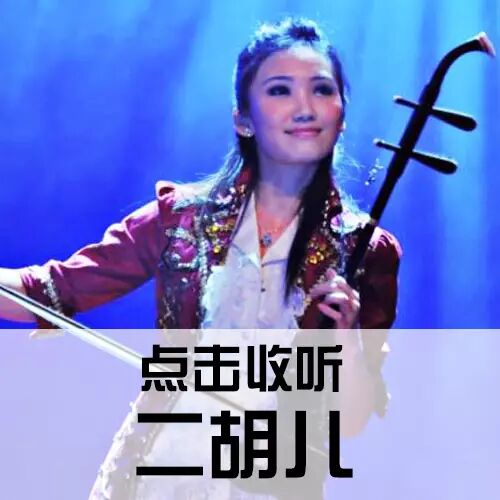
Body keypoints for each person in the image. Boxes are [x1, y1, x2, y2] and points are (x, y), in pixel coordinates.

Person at [0, 17, 401, 499]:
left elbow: (351, 421)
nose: (305, 107)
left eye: (321, 89)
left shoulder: (366, 252)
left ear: (342, 114)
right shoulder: (179, 219)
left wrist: (348, 342)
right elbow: (53, 290)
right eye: (280, 90)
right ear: (243, 119)